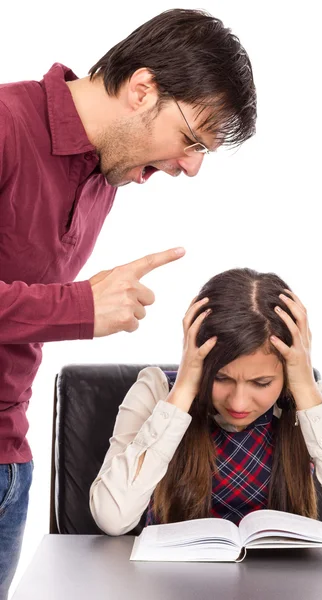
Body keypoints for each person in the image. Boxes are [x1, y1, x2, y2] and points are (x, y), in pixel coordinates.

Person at [0, 9, 256, 597]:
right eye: (191, 140)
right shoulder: (7, 125)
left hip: (11, 463)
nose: (190, 168)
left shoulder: (104, 178)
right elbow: (62, 304)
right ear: (143, 90)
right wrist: (79, 308)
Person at [90, 268, 322, 538]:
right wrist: (182, 393)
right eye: (221, 378)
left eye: (262, 383)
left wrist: (305, 388)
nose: (239, 402)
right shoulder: (156, 391)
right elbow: (112, 518)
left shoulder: (311, 400)